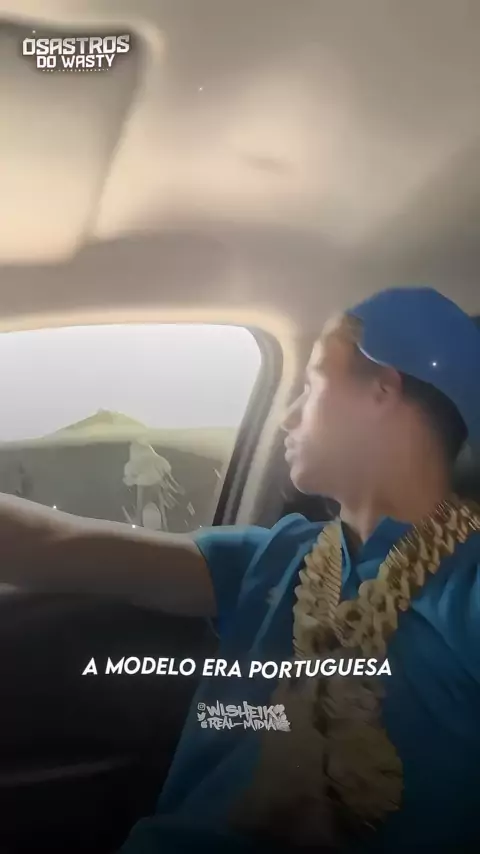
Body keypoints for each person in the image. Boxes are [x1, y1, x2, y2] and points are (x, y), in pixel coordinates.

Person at [0, 286, 479, 852]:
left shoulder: (466, 582)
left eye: (311, 385)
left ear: (382, 389)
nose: (288, 417)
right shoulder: (272, 555)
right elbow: (54, 545)